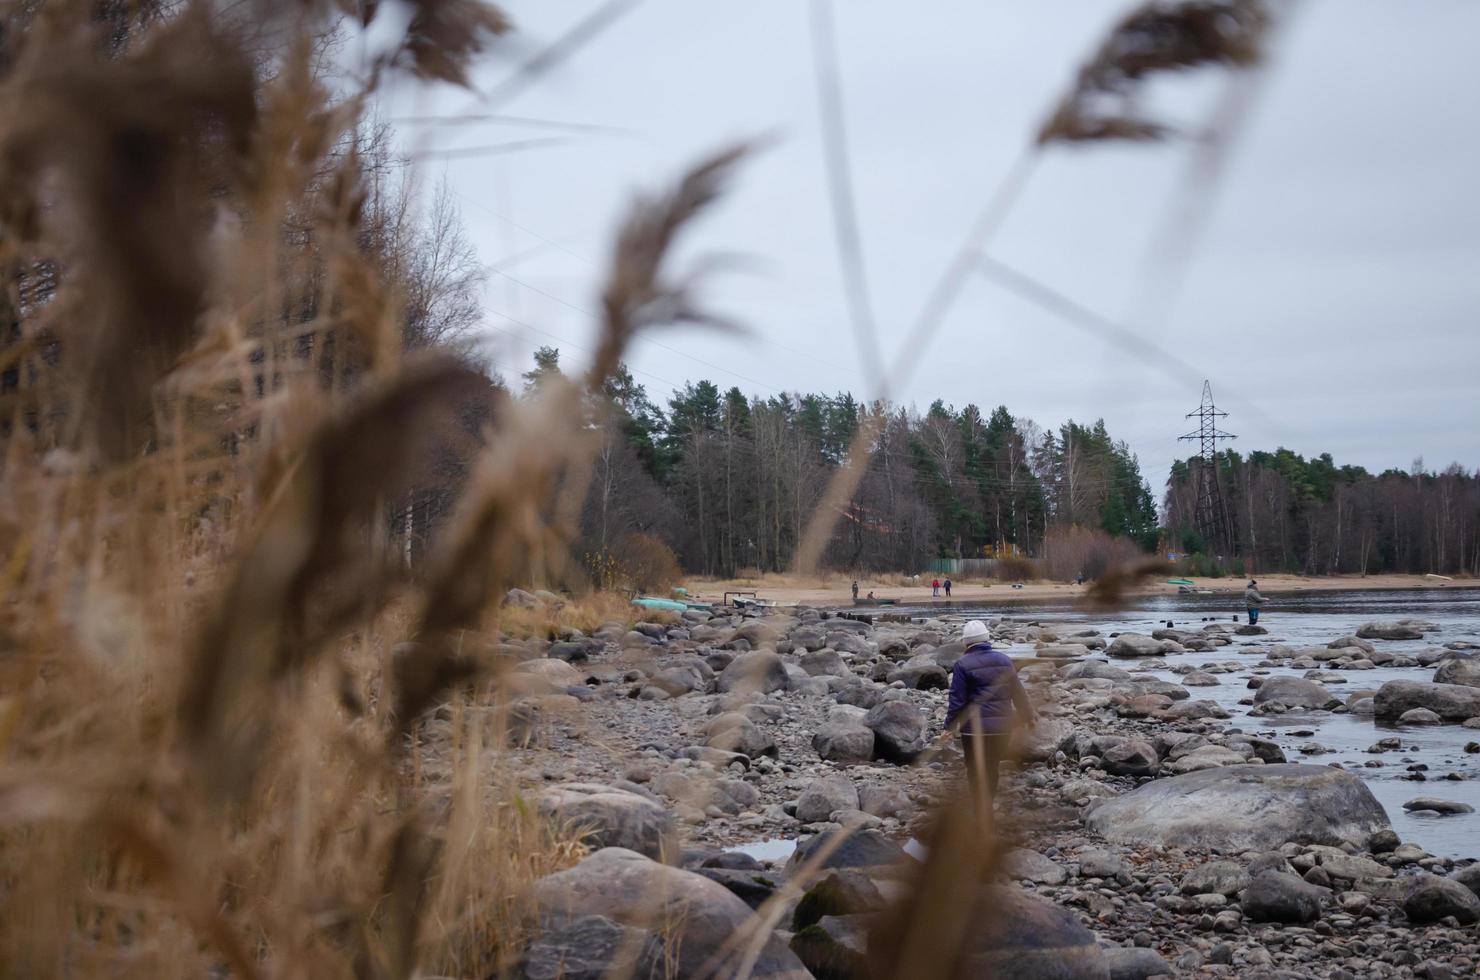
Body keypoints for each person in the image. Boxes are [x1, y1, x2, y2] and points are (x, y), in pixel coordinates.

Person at [942, 620, 1035, 818]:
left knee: (974, 768)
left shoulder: (962, 664)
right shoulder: (1004, 660)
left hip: (973, 729)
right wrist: (1029, 716)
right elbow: (1018, 693)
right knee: (992, 765)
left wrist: (949, 726)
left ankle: (979, 806)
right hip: (1002, 727)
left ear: (966, 642)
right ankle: (988, 804)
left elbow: (957, 700)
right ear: (987, 638)